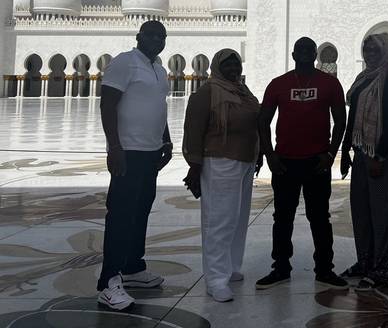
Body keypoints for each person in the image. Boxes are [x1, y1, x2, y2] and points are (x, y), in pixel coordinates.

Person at [256, 37, 348, 288]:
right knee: (282, 217)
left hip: (317, 162)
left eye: (310, 50)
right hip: (285, 162)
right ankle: (281, 267)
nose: (306, 53)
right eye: (301, 50)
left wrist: (331, 154)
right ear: (294, 55)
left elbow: (341, 120)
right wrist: (270, 155)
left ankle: (324, 269)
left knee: (319, 217)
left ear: (316, 54)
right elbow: (263, 121)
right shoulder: (278, 84)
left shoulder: (330, 84)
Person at [96, 20, 172, 311]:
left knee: (140, 210)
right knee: (121, 214)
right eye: (151, 35)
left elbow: (159, 106)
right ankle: (108, 282)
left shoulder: (159, 69)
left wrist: (166, 140)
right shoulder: (124, 62)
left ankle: (132, 268)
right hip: (128, 151)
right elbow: (108, 105)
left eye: (161, 36)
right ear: (138, 36)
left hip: (150, 152)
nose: (156, 40)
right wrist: (114, 147)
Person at [182, 49, 261, 302]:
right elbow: (193, 130)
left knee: (238, 218)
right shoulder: (207, 92)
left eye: (236, 64)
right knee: (219, 220)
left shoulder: (242, 90)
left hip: (245, 161)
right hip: (219, 161)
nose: (233, 69)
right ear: (217, 67)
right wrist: (194, 166)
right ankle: (215, 279)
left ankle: (231, 266)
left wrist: (259, 153)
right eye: (227, 65)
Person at [340, 34, 388, 290]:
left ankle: (382, 269)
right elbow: (353, 117)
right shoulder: (363, 78)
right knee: (361, 209)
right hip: (362, 151)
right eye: (366, 49)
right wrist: (345, 150)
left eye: (374, 50)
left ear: (386, 51)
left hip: (386, 152)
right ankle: (365, 261)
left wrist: (379, 156)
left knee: (383, 211)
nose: (369, 54)